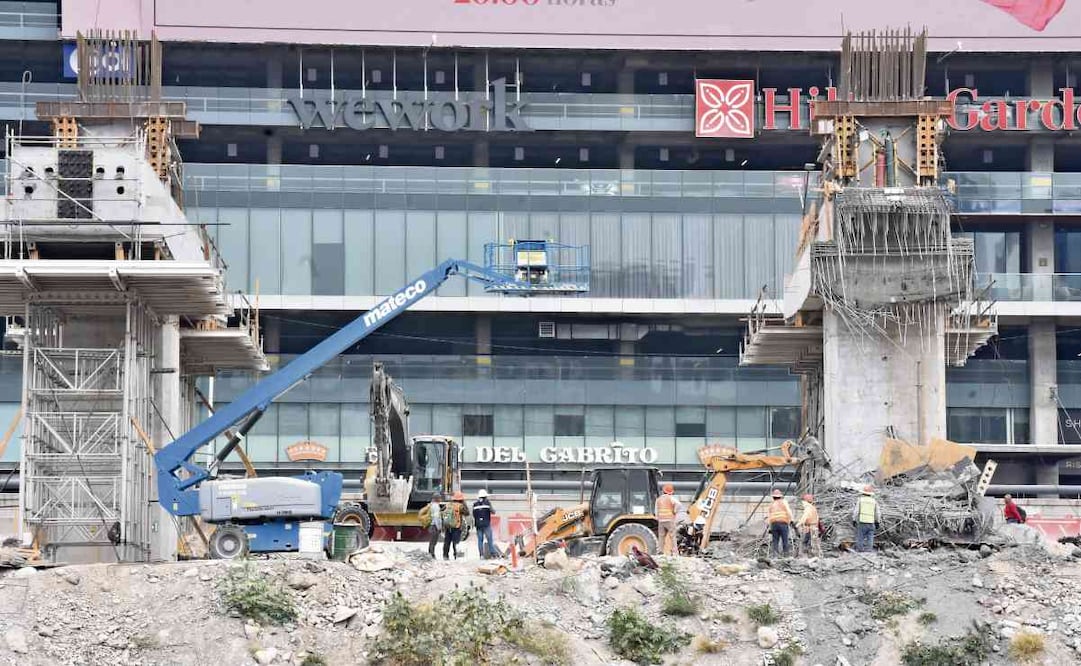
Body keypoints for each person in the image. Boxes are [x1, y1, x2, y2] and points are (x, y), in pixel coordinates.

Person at [441, 490, 471, 560]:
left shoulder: (448, 505)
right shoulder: (460, 506)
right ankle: (456, 555)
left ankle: (445, 556)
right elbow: (467, 513)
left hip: (448, 526)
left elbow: (442, 511)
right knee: (456, 542)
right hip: (456, 526)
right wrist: (464, 503)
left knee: (447, 541)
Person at [852, 484, 881, 553]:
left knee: (860, 537)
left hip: (862, 522)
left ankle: (860, 550)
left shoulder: (860, 500)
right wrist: (877, 522)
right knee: (870, 537)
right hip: (871, 522)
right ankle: (869, 550)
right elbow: (878, 513)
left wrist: (854, 520)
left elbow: (856, 511)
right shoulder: (874, 501)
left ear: (863, 493)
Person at [766, 488, 794, 558]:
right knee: (785, 540)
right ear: (780, 496)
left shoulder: (771, 504)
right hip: (783, 523)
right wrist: (791, 520)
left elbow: (769, 516)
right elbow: (788, 511)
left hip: (774, 524)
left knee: (775, 540)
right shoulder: (784, 502)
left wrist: (769, 527)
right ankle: (786, 556)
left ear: (773, 497)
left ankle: (775, 556)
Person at [472, 488, 498, 559]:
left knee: (480, 540)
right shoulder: (487, 503)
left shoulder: (475, 504)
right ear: (485, 496)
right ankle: (493, 554)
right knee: (490, 539)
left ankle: (481, 555)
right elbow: (493, 511)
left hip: (478, 525)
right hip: (486, 524)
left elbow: (474, 514)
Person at [418, 493, 443, 558]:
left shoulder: (431, 505)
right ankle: (432, 555)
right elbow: (436, 518)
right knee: (433, 542)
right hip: (434, 526)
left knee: (432, 542)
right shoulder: (436, 507)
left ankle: (431, 554)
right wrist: (439, 527)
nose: (441, 499)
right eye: (440, 498)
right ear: (437, 499)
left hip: (431, 526)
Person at [655, 484, 678, 556]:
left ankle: (660, 552)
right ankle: (675, 552)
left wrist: (658, 517)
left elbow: (656, 511)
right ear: (671, 492)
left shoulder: (658, 499)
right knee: (673, 536)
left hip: (661, 520)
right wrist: (674, 511)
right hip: (669, 520)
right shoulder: (671, 498)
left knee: (661, 536)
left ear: (663, 491)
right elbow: (678, 504)